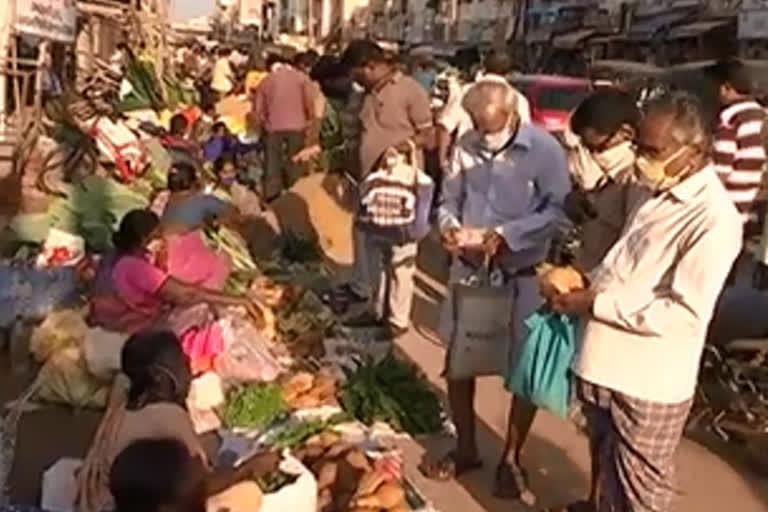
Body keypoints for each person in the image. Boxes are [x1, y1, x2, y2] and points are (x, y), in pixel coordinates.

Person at [552, 92, 742, 512]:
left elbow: (683, 314)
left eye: (652, 151)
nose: (640, 159)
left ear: (695, 152)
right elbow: (624, 265)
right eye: (638, 147)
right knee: (609, 480)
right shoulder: (650, 191)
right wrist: (580, 282)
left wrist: (594, 303)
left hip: (647, 382)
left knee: (641, 496)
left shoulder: (712, 218)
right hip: (604, 366)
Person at [421, 81, 569, 503]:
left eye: (494, 127)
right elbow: (449, 198)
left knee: (523, 369)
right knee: (459, 360)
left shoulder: (544, 150)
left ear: (511, 114)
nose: (488, 137)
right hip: (469, 268)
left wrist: (506, 236)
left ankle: (511, 457)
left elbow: (556, 209)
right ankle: (466, 446)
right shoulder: (466, 146)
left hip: (522, 270)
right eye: (480, 128)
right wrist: (449, 228)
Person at [333, 39, 435, 337]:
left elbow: (429, 136)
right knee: (369, 251)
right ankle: (375, 310)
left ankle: (397, 321)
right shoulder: (365, 95)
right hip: (368, 185)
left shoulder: (410, 91)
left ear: (371, 66)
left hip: (401, 188)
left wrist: (405, 146)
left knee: (401, 255)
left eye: (357, 73)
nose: (355, 80)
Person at [88, 209, 260, 371]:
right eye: (156, 236)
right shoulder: (135, 268)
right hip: (132, 332)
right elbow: (188, 295)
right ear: (143, 240)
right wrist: (241, 300)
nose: (161, 240)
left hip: (111, 322)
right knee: (201, 306)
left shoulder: (115, 256)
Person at [562, 89, 642, 273]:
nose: (593, 155)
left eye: (597, 148)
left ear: (626, 134)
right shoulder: (601, 176)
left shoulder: (637, 183)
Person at [437, 50, 531, 171]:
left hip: (464, 164)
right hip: (503, 167)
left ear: (484, 65)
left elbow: (446, 127)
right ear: (509, 71)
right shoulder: (518, 99)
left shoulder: (466, 92)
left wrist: (442, 160)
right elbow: (524, 139)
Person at [712, 58, 768, 239]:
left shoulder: (730, 117)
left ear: (725, 88)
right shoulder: (762, 115)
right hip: (753, 209)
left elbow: (721, 170)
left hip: (728, 208)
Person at [251, 53, 317, 200]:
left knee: (272, 164)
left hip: (273, 128)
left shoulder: (266, 81)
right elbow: (309, 103)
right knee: (296, 162)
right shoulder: (301, 79)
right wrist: (309, 121)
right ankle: (295, 194)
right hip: (297, 127)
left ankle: (272, 198)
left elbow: (258, 110)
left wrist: (263, 124)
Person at [161, 162, 236, 290]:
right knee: (224, 259)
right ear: (193, 182)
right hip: (185, 262)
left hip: (166, 262)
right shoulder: (201, 200)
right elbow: (232, 213)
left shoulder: (161, 200)